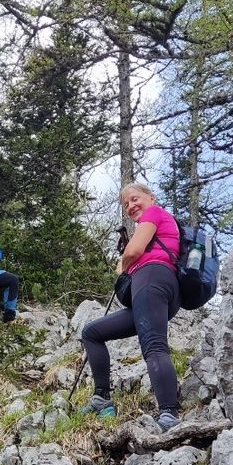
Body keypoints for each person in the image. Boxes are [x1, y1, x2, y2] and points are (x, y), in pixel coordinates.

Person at [80, 182, 181, 431]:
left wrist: (123, 263)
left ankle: (169, 415)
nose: (131, 206)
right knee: (92, 332)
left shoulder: (154, 212)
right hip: (155, 290)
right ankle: (101, 399)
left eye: (135, 199)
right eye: (126, 204)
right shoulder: (151, 224)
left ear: (151, 197)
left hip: (152, 279)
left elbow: (134, 251)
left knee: (154, 346)